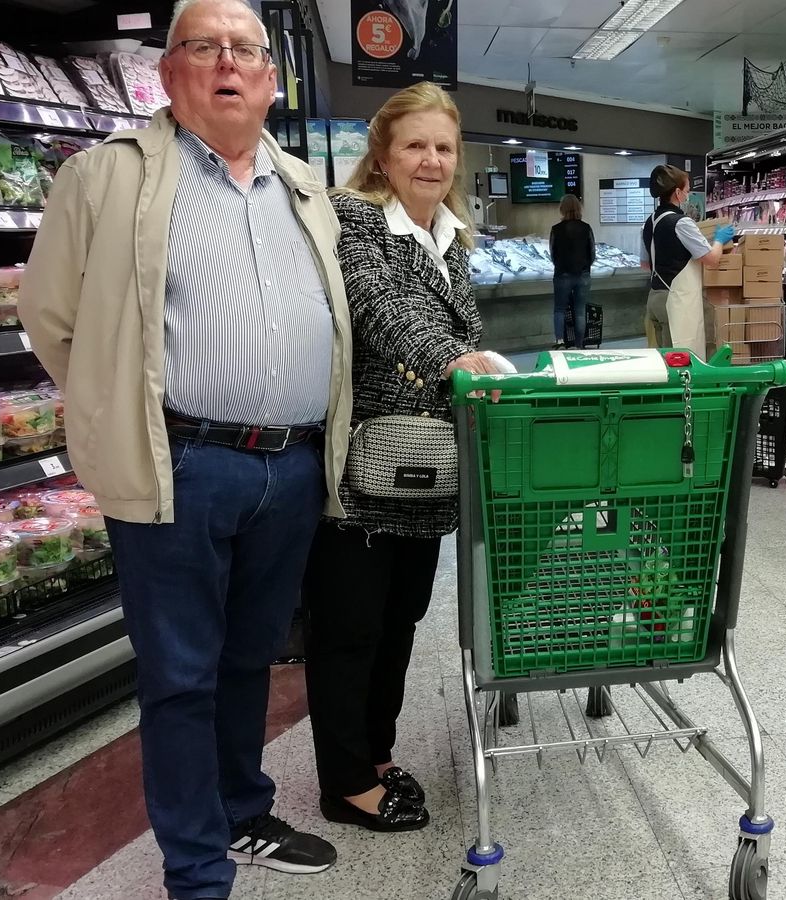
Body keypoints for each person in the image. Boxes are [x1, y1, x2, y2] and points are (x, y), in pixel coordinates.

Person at [19, 0, 352, 896]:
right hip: (182, 467)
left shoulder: (305, 189)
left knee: (252, 659)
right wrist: (114, 411)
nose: (227, 63)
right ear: (169, 73)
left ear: (273, 83)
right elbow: (51, 322)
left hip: (290, 466)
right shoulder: (104, 177)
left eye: (245, 49)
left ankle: (243, 812)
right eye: (202, 47)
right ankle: (196, 871)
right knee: (179, 677)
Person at [302, 81, 498, 833]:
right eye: (415, 144)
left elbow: (458, 330)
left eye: (444, 147)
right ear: (382, 154)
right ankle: (344, 782)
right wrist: (456, 360)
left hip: (427, 470)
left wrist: (477, 365)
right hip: (364, 462)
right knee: (350, 627)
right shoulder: (354, 222)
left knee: (399, 621)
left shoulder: (453, 240)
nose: (432, 159)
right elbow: (378, 308)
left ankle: (374, 753)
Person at [641, 164, 734, 354]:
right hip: (676, 302)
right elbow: (711, 259)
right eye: (687, 191)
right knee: (681, 361)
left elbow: (644, 263)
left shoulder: (649, 222)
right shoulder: (681, 223)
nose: (688, 195)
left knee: (662, 358)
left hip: (655, 299)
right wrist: (719, 240)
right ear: (677, 193)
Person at [550, 192, 595, 348]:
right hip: (582, 275)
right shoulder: (586, 228)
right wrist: (585, 266)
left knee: (559, 309)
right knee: (580, 311)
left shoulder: (556, 229)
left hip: (562, 275)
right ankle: (579, 344)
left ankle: (560, 341)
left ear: (562, 208)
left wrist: (560, 266)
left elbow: (552, 253)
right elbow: (592, 253)